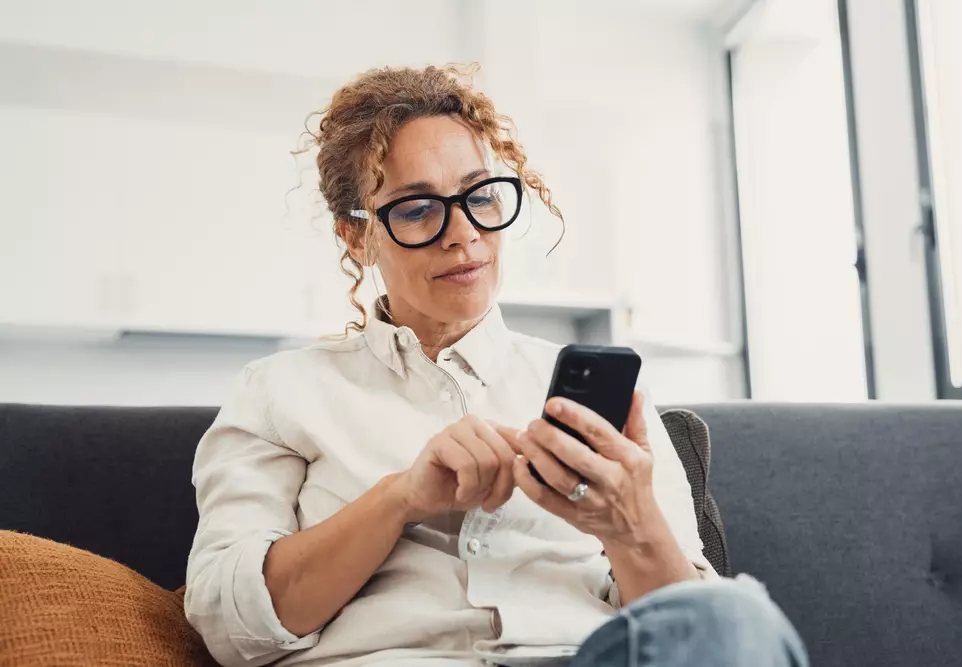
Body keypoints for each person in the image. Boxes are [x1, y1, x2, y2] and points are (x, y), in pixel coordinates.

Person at [184, 64, 808, 667]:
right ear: (357, 236)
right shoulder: (279, 392)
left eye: (479, 195)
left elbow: (696, 639)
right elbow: (230, 629)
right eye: (416, 208)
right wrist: (399, 499)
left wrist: (630, 526)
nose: (463, 233)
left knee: (732, 614)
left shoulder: (603, 396)